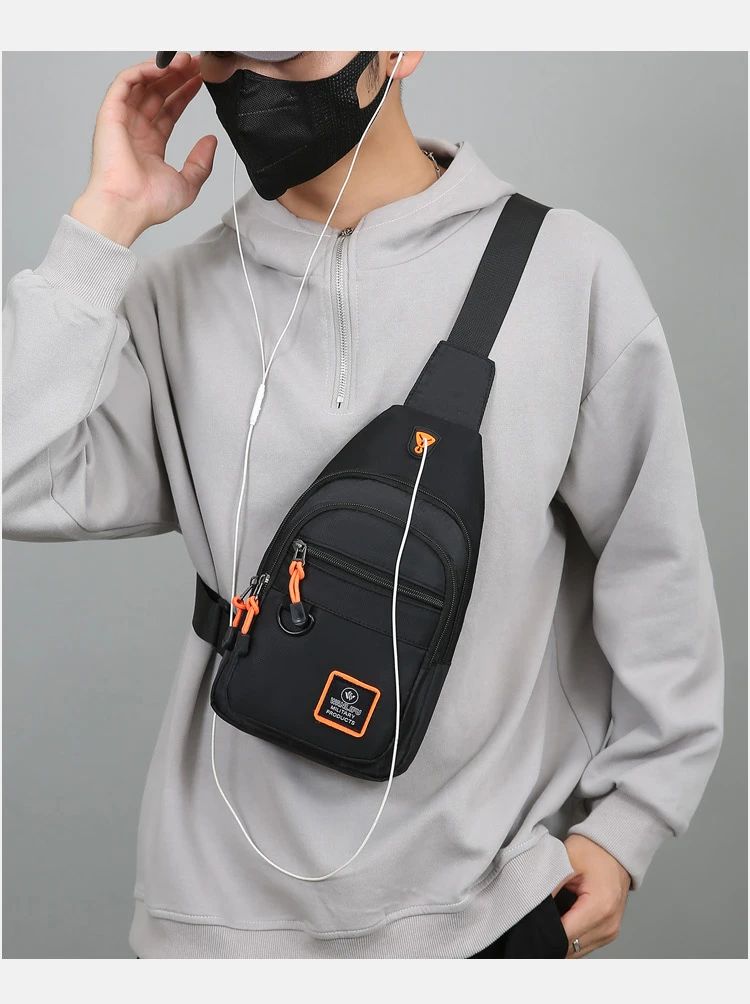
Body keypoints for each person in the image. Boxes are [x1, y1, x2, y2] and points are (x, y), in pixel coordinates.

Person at [2, 50, 724, 960]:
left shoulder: (565, 271)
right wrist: (104, 222)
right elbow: (16, 476)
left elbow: (655, 567)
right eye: (225, 44)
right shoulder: (172, 299)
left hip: (483, 905)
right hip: (215, 926)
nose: (253, 74)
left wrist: (632, 821)